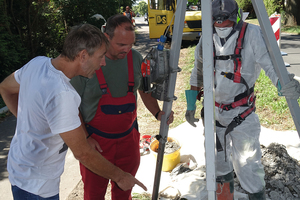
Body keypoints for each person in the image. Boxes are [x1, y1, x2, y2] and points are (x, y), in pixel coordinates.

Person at [0, 23, 146, 200]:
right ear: (83, 55)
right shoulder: (63, 94)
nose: (103, 62)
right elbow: (83, 153)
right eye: (100, 56)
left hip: (19, 170)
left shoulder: (37, 64)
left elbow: (5, 87)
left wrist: (25, 120)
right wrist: (121, 177)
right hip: (38, 185)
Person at [185, 0, 300, 199]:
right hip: (215, 115)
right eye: (216, 24)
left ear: (235, 19)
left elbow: (270, 64)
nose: (221, 28)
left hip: (242, 116)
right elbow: (198, 72)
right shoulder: (207, 37)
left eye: (226, 24)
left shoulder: (252, 35)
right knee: (217, 168)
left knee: (249, 168)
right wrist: (191, 103)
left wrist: (284, 85)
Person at [70, 14, 174, 200]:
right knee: (94, 194)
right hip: (97, 144)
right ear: (106, 37)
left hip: (128, 139)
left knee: (124, 190)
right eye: (121, 45)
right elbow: (71, 106)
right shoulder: (87, 61)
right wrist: (85, 138)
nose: (127, 50)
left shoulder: (135, 58)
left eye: (130, 45)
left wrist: (158, 113)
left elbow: (144, 91)